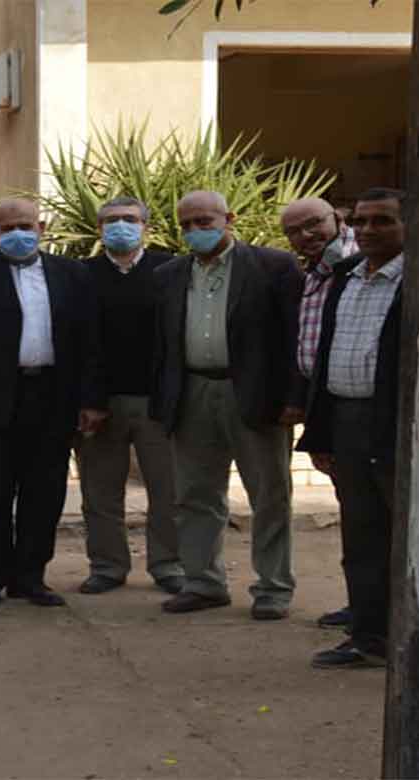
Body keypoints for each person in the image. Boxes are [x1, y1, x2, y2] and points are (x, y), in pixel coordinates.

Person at [0, 197, 106, 611]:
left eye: (25, 225)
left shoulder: (73, 273)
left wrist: (91, 400)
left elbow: (90, 343)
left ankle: (30, 578)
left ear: (42, 227)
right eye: (7, 227)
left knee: (44, 495)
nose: (18, 233)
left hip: (53, 399)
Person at [151, 190, 303, 620]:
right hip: (193, 392)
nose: (195, 231)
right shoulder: (169, 274)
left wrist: (294, 399)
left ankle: (273, 588)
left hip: (253, 395)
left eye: (204, 221)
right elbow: (161, 344)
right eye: (186, 224)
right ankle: (203, 582)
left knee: (270, 495)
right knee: (197, 495)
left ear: (228, 218)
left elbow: (294, 337)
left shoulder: (273, 267)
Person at [298, 187, 406, 669]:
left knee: (406, 539)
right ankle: (369, 637)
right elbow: (324, 358)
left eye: (382, 221)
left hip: (398, 428)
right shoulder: (345, 278)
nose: (367, 230)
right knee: (361, 538)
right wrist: (321, 433)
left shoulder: (410, 282)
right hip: (348, 422)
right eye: (360, 221)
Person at [76, 197, 182, 596]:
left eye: (130, 219)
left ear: (146, 227)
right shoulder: (82, 274)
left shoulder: (170, 269)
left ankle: (169, 565)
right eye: (111, 220)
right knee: (100, 492)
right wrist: (88, 400)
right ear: (99, 228)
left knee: (168, 491)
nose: (121, 226)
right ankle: (107, 565)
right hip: (100, 404)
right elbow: (79, 343)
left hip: (158, 402)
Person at [279, 196, 360, 630]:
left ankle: (375, 612)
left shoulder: (358, 266)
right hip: (326, 404)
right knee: (355, 510)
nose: (305, 235)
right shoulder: (314, 272)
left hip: (361, 407)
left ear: (338, 219)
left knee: (370, 513)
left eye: (314, 225)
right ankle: (364, 605)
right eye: (294, 230)